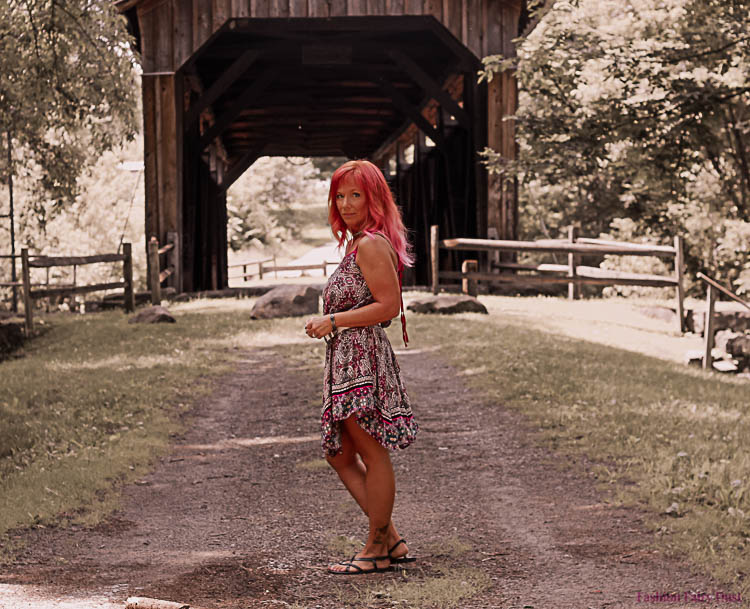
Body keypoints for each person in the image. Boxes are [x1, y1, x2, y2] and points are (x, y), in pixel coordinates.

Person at [304, 159, 419, 575]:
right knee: (341, 453)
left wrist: (332, 320)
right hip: (346, 357)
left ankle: (375, 548)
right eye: (340, 195)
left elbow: (389, 307)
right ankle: (390, 538)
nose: (347, 203)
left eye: (356, 194)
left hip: (361, 358)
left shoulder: (370, 244)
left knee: (370, 450)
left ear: (374, 198)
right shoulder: (357, 244)